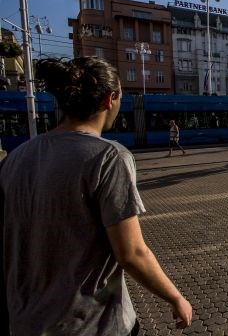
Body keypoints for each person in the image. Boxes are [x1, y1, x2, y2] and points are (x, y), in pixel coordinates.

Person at [0, 57, 192, 336]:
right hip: (92, 324)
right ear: (109, 99)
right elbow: (131, 253)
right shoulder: (108, 156)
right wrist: (175, 297)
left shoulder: (16, 158)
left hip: (25, 322)